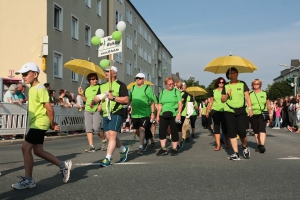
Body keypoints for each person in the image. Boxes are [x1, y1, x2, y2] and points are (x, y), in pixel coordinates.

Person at [12, 62, 72, 189]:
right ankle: (63, 165)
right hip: (35, 122)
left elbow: (50, 109)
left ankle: (29, 180)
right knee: (38, 151)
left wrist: (51, 124)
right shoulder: (32, 89)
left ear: (35, 74)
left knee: (25, 148)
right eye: (22, 75)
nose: (23, 77)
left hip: (40, 122)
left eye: (26, 74)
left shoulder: (41, 88)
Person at [90, 66, 129, 167]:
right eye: (105, 71)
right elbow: (98, 97)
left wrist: (114, 97)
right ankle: (123, 150)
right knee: (109, 137)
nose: (105, 73)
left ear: (115, 73)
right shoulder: (102, 86)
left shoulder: (121, 85)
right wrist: (93, 102)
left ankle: (107, 158)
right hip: (105, 113)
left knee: (112, 136)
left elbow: (126, 100)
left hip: (116, 112)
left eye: (108, 71)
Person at [221, 67, 253, 160]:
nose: (234, 75)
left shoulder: (242, 83)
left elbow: (247, 97)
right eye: (232, 73)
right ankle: (236, 153)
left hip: (241, 111)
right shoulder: (226, 86)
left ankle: (244, 147)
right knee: (232, 132)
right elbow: (222, 100)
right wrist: (227, 94)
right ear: (228, 75)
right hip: (229, 111)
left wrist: (250, 108)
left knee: (242, 131)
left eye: (235, 73)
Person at [78, 73, 107, 152]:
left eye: (96, 78)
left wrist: (100, 105)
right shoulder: (87, 88)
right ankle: (91, 146)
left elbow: (102, 97)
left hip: (96, 110)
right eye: (93, 79)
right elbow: (86, 100)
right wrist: (81, 94)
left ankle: (103, 140)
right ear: (89, 80)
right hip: (87, 110)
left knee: (96, 128)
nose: (95, 80)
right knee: (89, 129)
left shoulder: (100, 87)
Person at [129, 73, 157, 155]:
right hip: (135, 114)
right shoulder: (133, 88)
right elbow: (130, 99)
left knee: (142, 129)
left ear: (143, 79)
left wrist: (152, 113)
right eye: (137, 78)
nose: (138, 79)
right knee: (136, 130)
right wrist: (129, 108)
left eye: (140, 78)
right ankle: (145, 140)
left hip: (145, 113)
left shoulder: (147, 88)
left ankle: (141, 146)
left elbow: (152, 101)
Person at [156, 77, 182, 156]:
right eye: (169, 84)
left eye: (172, 83)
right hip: (163, 114)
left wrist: (179, 113)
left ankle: (174, 148)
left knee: (174, 131)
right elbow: (160, 105)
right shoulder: (162, 92)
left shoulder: (176, 92)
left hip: (173, 114)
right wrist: (157, 115)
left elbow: (180, 104)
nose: (171, 85)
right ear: (165, 84)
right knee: (162, 131)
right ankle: (163, 148)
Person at [249, 79, 272, 153]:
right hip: (253, 114)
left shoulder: (264, 93)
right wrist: (249, 112)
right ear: (252, 85)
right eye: (254, 84)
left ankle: (262, 145)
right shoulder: (250, 94)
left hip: (262, 113)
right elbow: (248, 105)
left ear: (260, 85)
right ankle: (258, 144)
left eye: (257, 84)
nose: (256, 85)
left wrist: (270, 114)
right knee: (256, 130)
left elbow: (268, 105)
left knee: (262, 129)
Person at [206, 77, 229, 151]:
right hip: (215, 110)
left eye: (222, 82)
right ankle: (218, 145)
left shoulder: (226, 90)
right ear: (217, 83)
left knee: (224, 127)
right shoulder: (213, 91)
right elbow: (211, 102)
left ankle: (227, 142)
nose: (221, 84)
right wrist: (207, 110)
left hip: (224, 110)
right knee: (216, 127)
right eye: (220, 82)